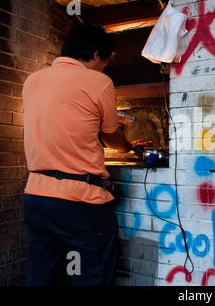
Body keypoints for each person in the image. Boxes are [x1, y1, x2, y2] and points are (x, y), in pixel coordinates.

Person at [22, 24, 134, 286]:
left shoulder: (32, 80)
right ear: (96, 55)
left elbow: (63, 122)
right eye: (105, 62)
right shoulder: (100, 81)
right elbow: (110, 136)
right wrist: (127, 148)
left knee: (41, 276)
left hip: (36, 199)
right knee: (93, 276)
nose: (104, 68)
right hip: (79, 202)